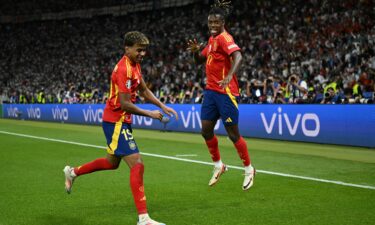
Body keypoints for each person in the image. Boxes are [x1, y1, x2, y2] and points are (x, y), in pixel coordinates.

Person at [63, 31, 178, 225]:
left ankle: (72, 172)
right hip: (116, 120)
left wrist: (161, 105)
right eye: (139, 50)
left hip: (120, 121)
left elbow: (143, 90)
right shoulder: (124, 69)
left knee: (111, 163)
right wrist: (150, 114)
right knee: (138, 164)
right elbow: (125, 104)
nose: (142, 54)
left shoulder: (135, 65)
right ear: (127, 48)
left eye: (144, 51)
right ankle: (143, 218)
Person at [186, 0, 255, 191]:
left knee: (233, 134)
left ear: (223, 22)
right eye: (210, 23)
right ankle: (218, 165)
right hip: (211, 92)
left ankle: (249, 169)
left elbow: (238, 56)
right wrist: (194, 53)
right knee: (206, 130)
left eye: (216, 23)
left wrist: (230, 75)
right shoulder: (211, 40)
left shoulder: (225, 38)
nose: (213, 26)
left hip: (226, 93)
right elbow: (199, 60)